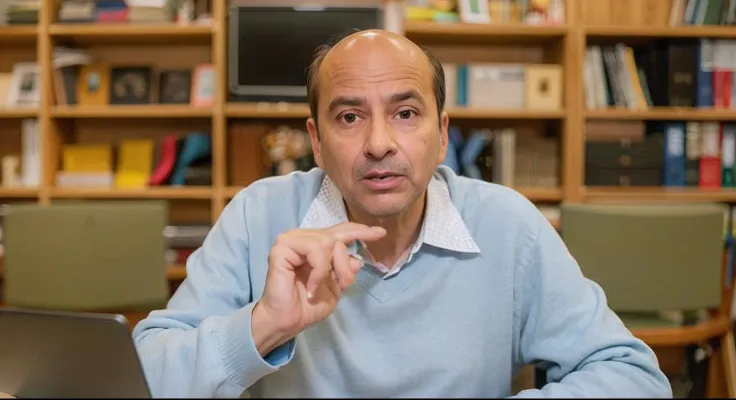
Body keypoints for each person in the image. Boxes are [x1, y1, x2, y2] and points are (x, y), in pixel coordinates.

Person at [132, 29, 673, 398]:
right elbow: (142, 377)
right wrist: (263, 326)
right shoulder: (258, 215)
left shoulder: (509, 225)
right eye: (349, 116)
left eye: (406, 113)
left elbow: (633, 377)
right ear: (316, 143)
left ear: (441, 135)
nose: (378, 143)